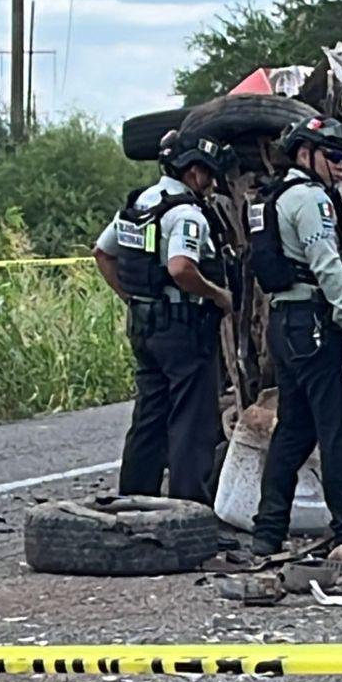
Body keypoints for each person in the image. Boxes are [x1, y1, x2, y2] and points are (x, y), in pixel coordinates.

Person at [248, 115, 342, 557]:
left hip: (285, 324)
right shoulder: (310, 199)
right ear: (306, 155)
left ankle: (267, 531)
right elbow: (326, 263)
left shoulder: (277, 197)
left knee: (293, 430)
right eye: (334, 155)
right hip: (311, 321)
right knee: (334, 429)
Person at [93, 131, 236, 503]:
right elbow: (181, 268)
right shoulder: (187, 214)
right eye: (206, 172)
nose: (209, 181)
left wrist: (133, 298)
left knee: (149, 415)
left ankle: (134, 497)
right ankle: (190, 506)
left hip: (144, 324)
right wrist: (220, 296)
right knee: (193, 418)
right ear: (192, 171)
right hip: (183, 327)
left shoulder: (139, 203)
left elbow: (102, 253)